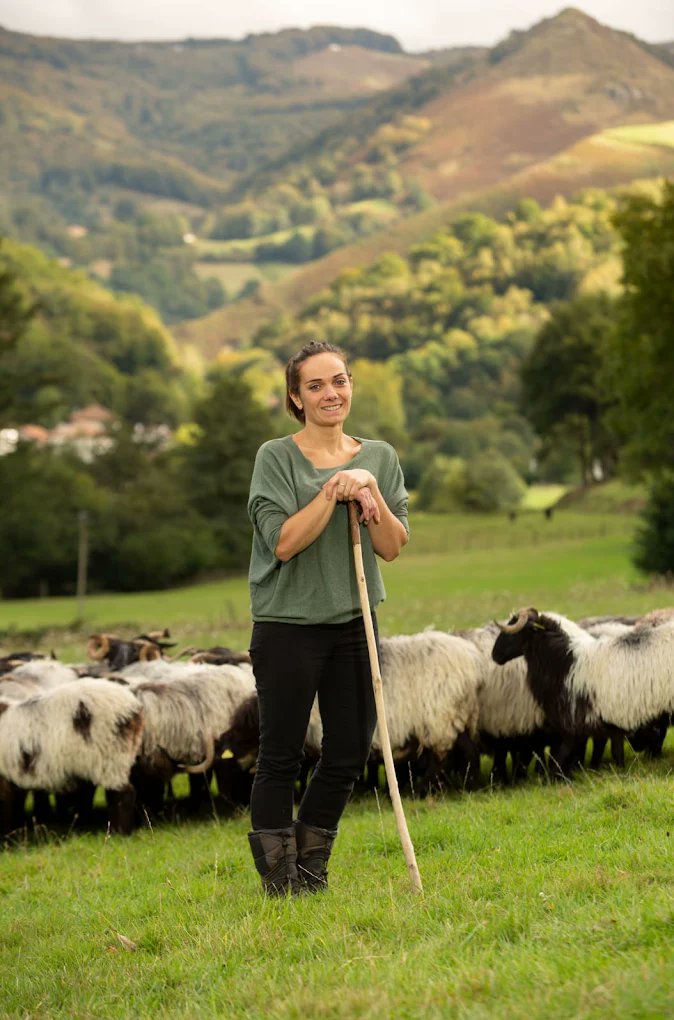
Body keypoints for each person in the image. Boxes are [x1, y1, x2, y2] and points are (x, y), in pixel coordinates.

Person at [246, 340, 409, 895]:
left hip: (353, 624)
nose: (330, 393)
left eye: (338, 381)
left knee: (348, 749)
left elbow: (391, 545)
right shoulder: (275, 457)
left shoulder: (380, 457)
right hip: (287, 626)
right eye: (315, 386)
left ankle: (310, 867)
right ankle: (279, 878)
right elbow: (284, 543)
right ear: (296, 397)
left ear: (350, 386)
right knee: (282, 753)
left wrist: (368, 491)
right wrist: (332, 491)